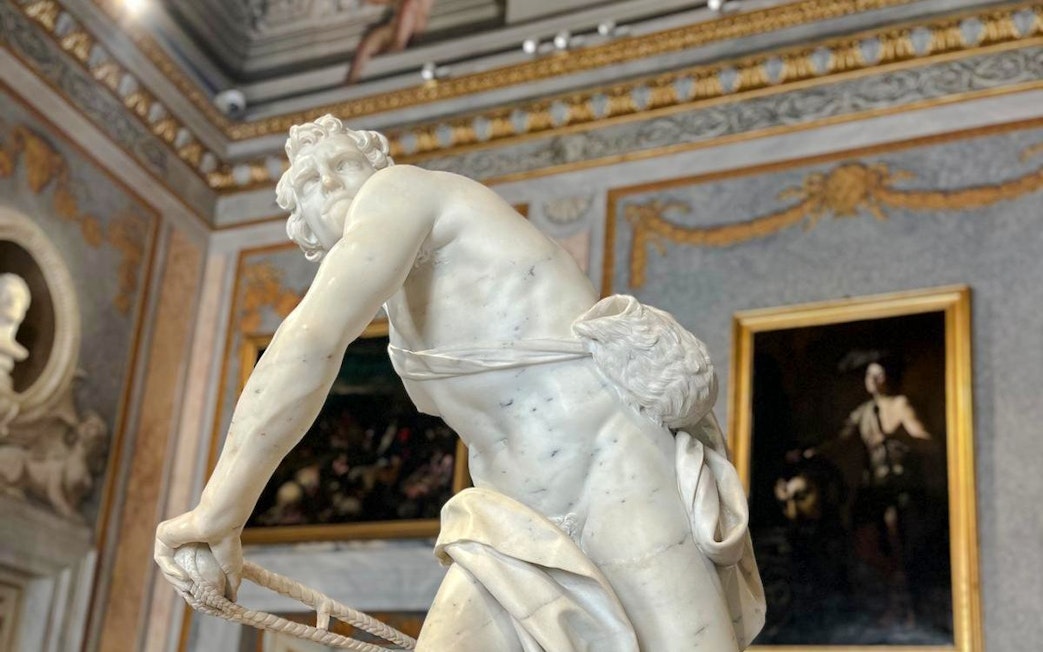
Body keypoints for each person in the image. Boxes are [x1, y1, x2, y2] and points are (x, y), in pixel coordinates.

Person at [155, 115, 764, 651]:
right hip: (510, 522)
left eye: (343, 163)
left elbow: (309, 343)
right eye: (312, 182)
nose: (335, 181)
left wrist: (220, 512)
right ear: (304, 227)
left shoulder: (401, 191)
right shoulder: (401, 302)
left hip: (614, 473)